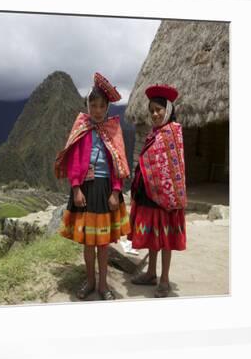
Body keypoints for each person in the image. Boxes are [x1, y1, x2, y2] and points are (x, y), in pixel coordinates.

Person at [55, 73, 130, 301]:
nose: (97, 110)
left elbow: (119, 162)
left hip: (106, 188)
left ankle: (103, 285)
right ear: (87, 105)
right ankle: (90, 281)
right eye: (93, 105)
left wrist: (116, 191)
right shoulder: (82, 127)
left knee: (103, 243)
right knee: (89, 241)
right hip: (86, 190)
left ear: (107, 107)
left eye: (101, 106)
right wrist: (76, 188)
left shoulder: (113, 130)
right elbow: (75, 159)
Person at [128, 84, 187, 298]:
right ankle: (151, 273)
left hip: (166, 198)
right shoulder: (155, 133)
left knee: (165, 238)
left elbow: (173, 166)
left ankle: (164, 279)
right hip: (149, 194)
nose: (154, 113)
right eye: (151, 110)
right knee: (153, 236)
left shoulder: (173, 132)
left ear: (168, 109)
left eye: (158, 109)